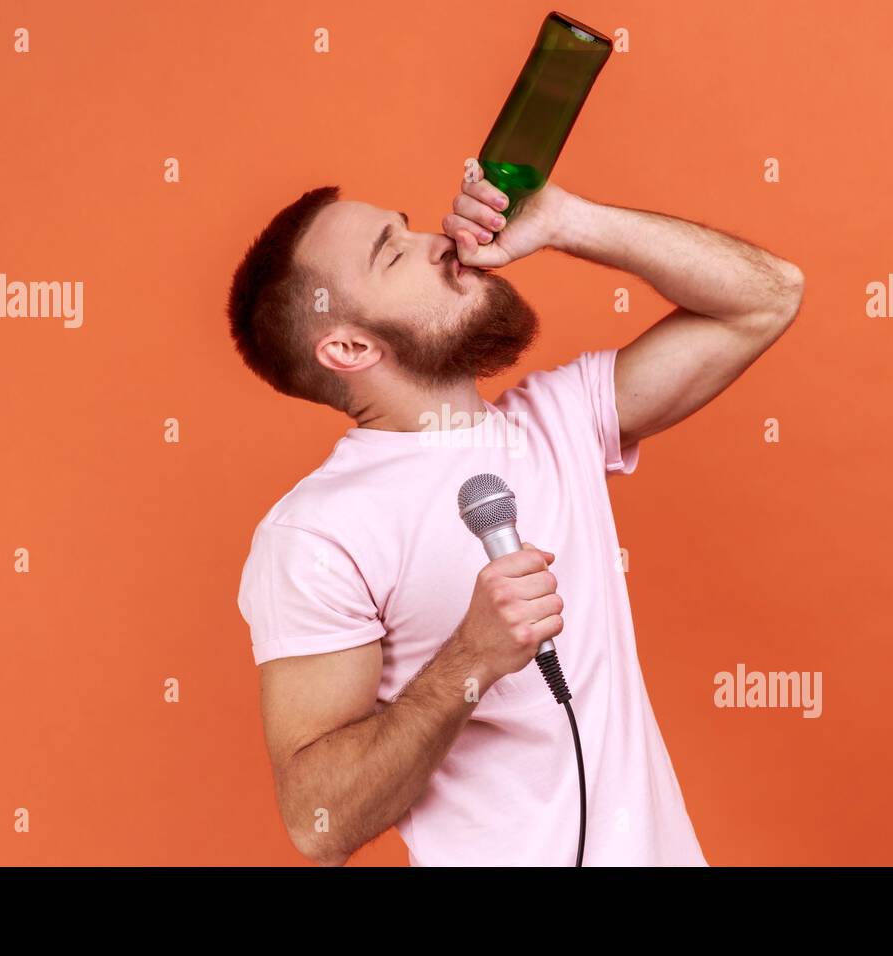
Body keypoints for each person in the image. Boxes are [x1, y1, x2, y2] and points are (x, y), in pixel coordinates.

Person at [227, 163, 803, 865]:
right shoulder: (316, 533)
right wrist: (470, 659)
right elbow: (318, 822)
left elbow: (766, 295)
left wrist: (565, 220)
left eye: (408, 225)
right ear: (349, 348)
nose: (436, 240)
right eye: (392, 251)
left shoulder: (562, 421)